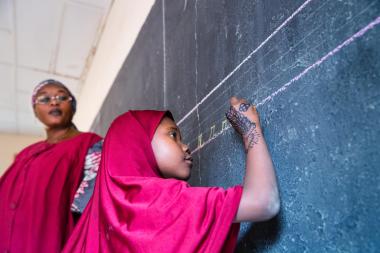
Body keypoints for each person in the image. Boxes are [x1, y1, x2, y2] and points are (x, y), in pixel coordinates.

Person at [62, 96, 280, 253]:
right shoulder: (158, 200)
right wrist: (250, 128)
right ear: (137, 145)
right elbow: (264, 202)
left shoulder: (90, 227)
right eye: (173, 135)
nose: (185, 147)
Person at [0, 79, 102, 253]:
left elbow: (92, 204)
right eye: (44, 99)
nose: (54, 101)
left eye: (62, 97)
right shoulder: (27, 153)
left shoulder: (91, 144)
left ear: (73, 106)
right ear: (35, 111)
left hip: (52, 242)